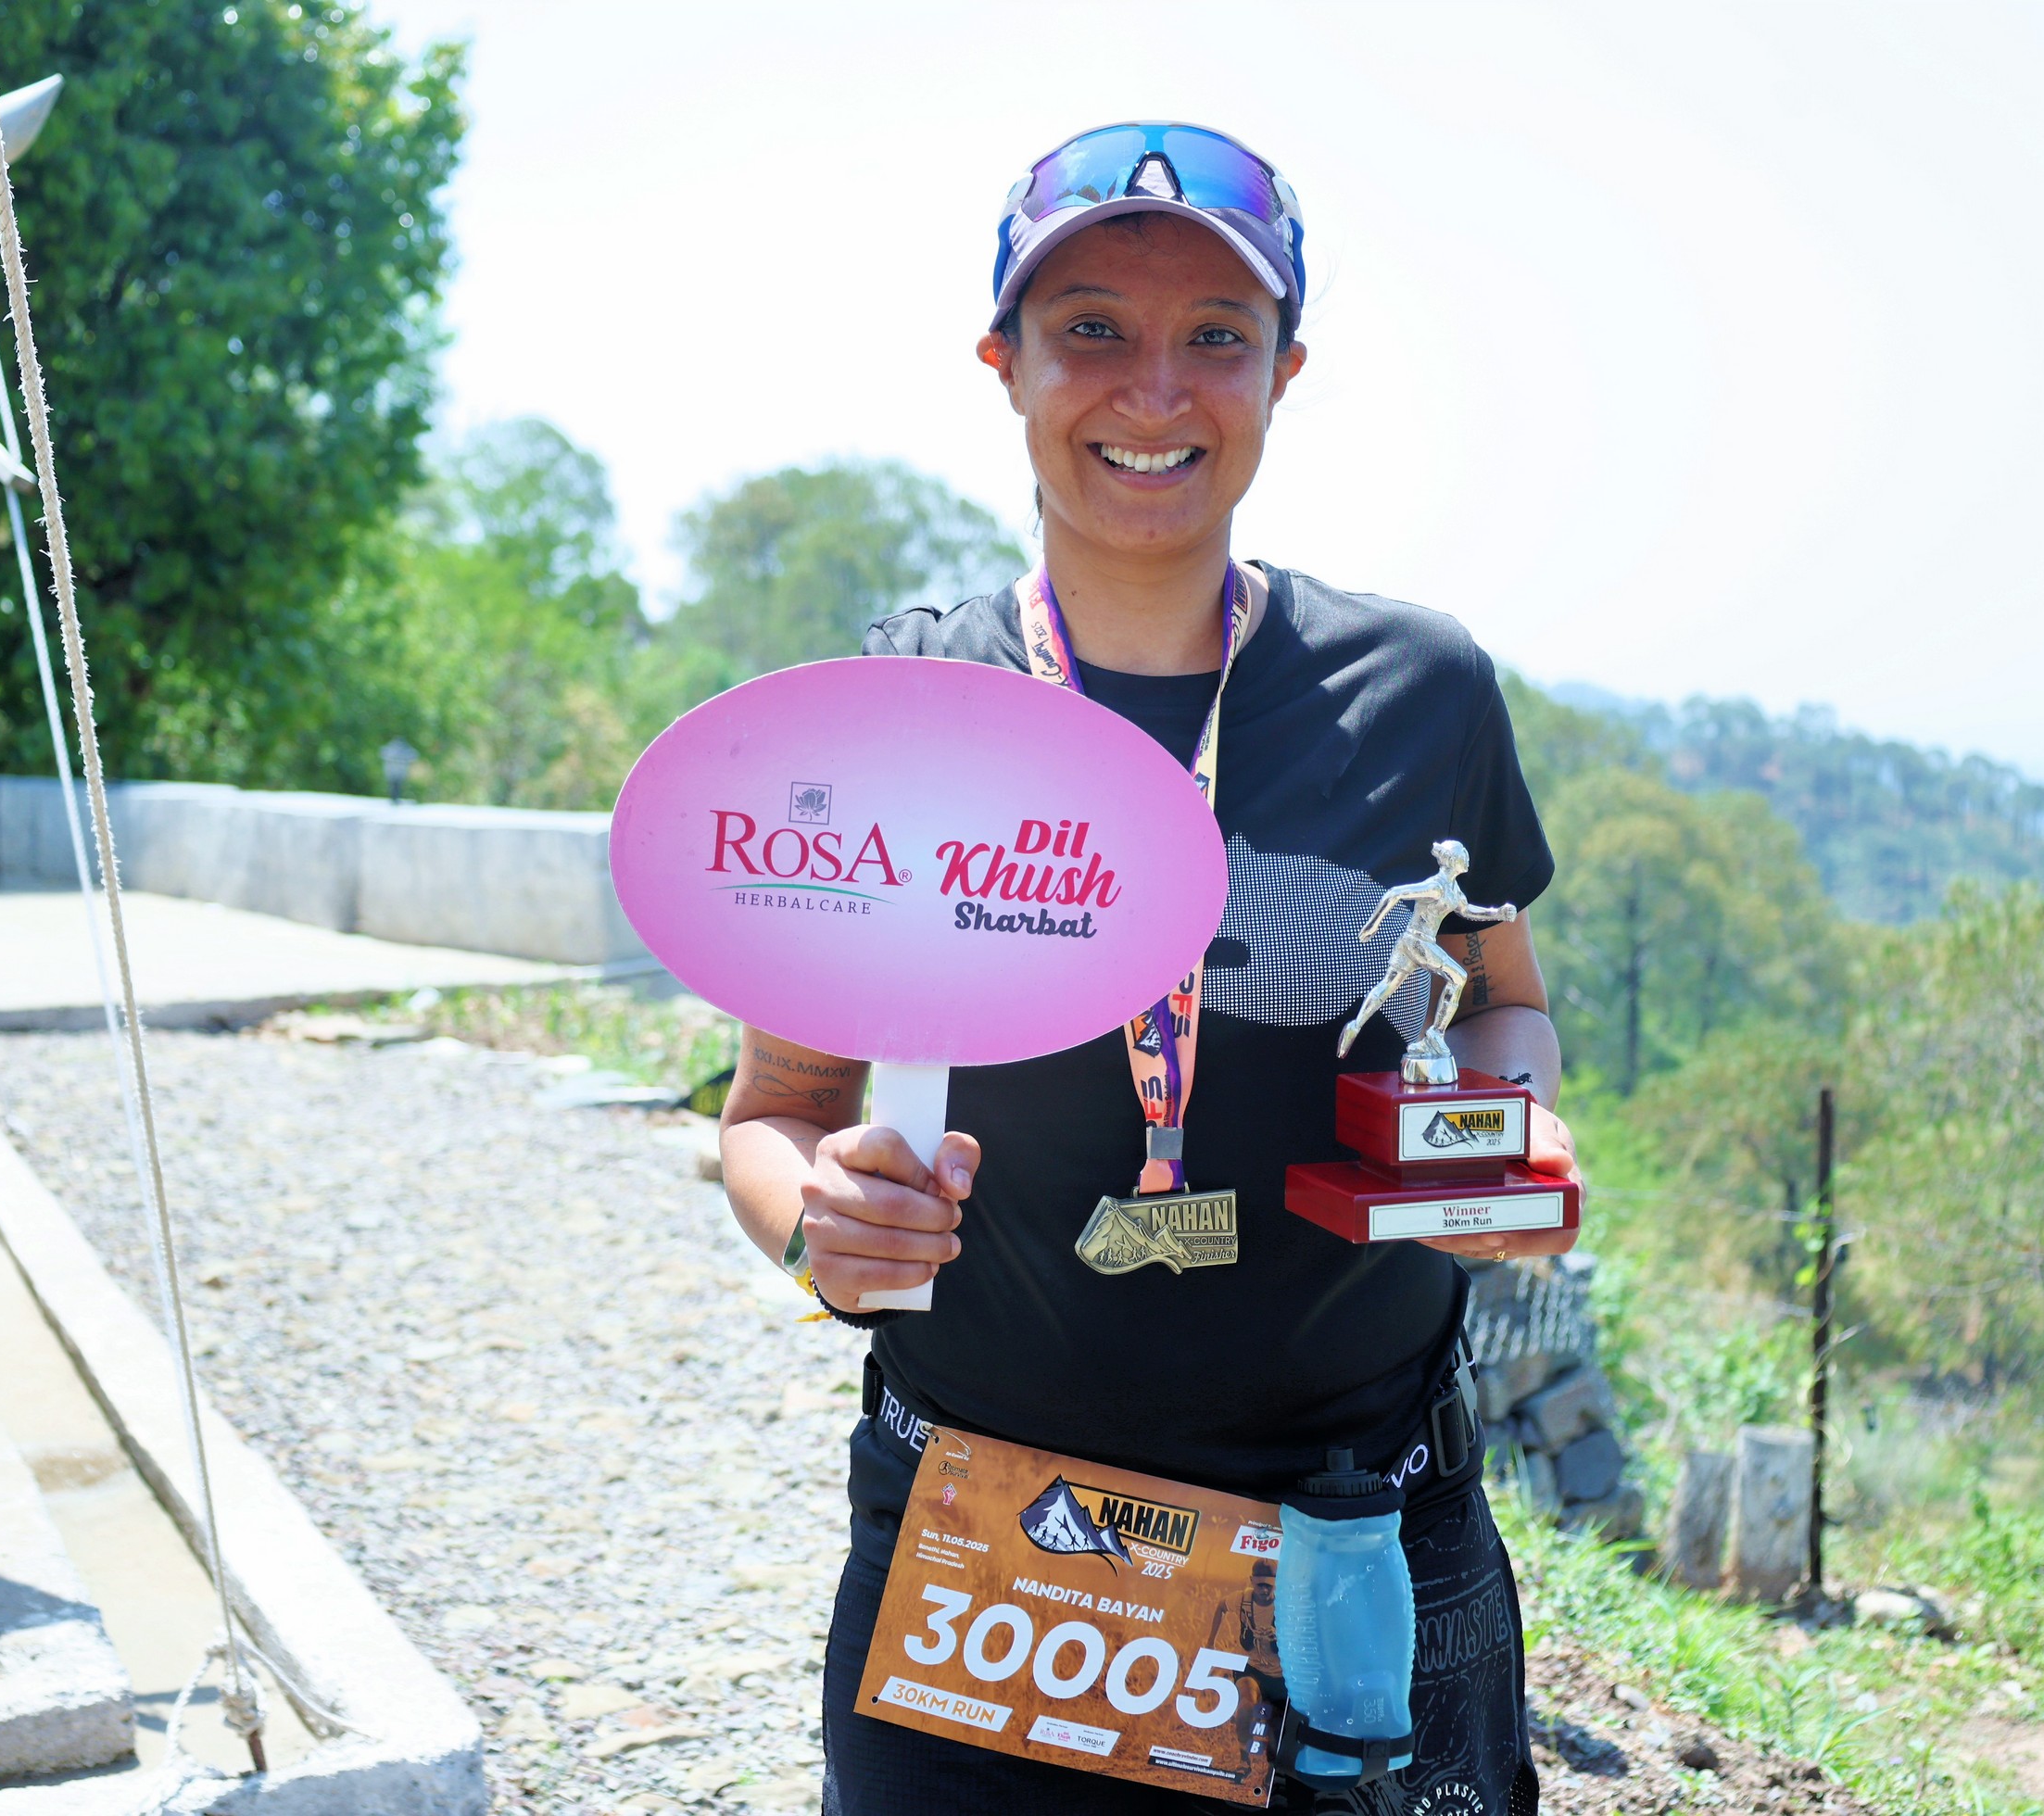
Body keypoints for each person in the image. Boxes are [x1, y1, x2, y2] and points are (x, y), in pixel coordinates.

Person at [716, 121, 1574, 1815]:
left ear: (1284, 372)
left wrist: (1511, 1132)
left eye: (1217, 337)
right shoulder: (904, 709)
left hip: (1357, 1532)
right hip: (982, 1541)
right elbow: (776, 1108)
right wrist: (820, 1225)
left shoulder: (1422, 691)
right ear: (1006, 365)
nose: (1155, 389)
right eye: (1092, 328)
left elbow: (1506, 1004)